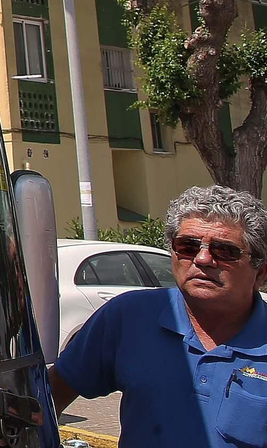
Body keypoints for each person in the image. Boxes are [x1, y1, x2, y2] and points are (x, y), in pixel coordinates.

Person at [50, 185, 267, 447]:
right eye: (187, 246)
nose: (202, 259)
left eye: (224, 251)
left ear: (261, 273)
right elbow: (48, 399)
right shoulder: (128, 317)